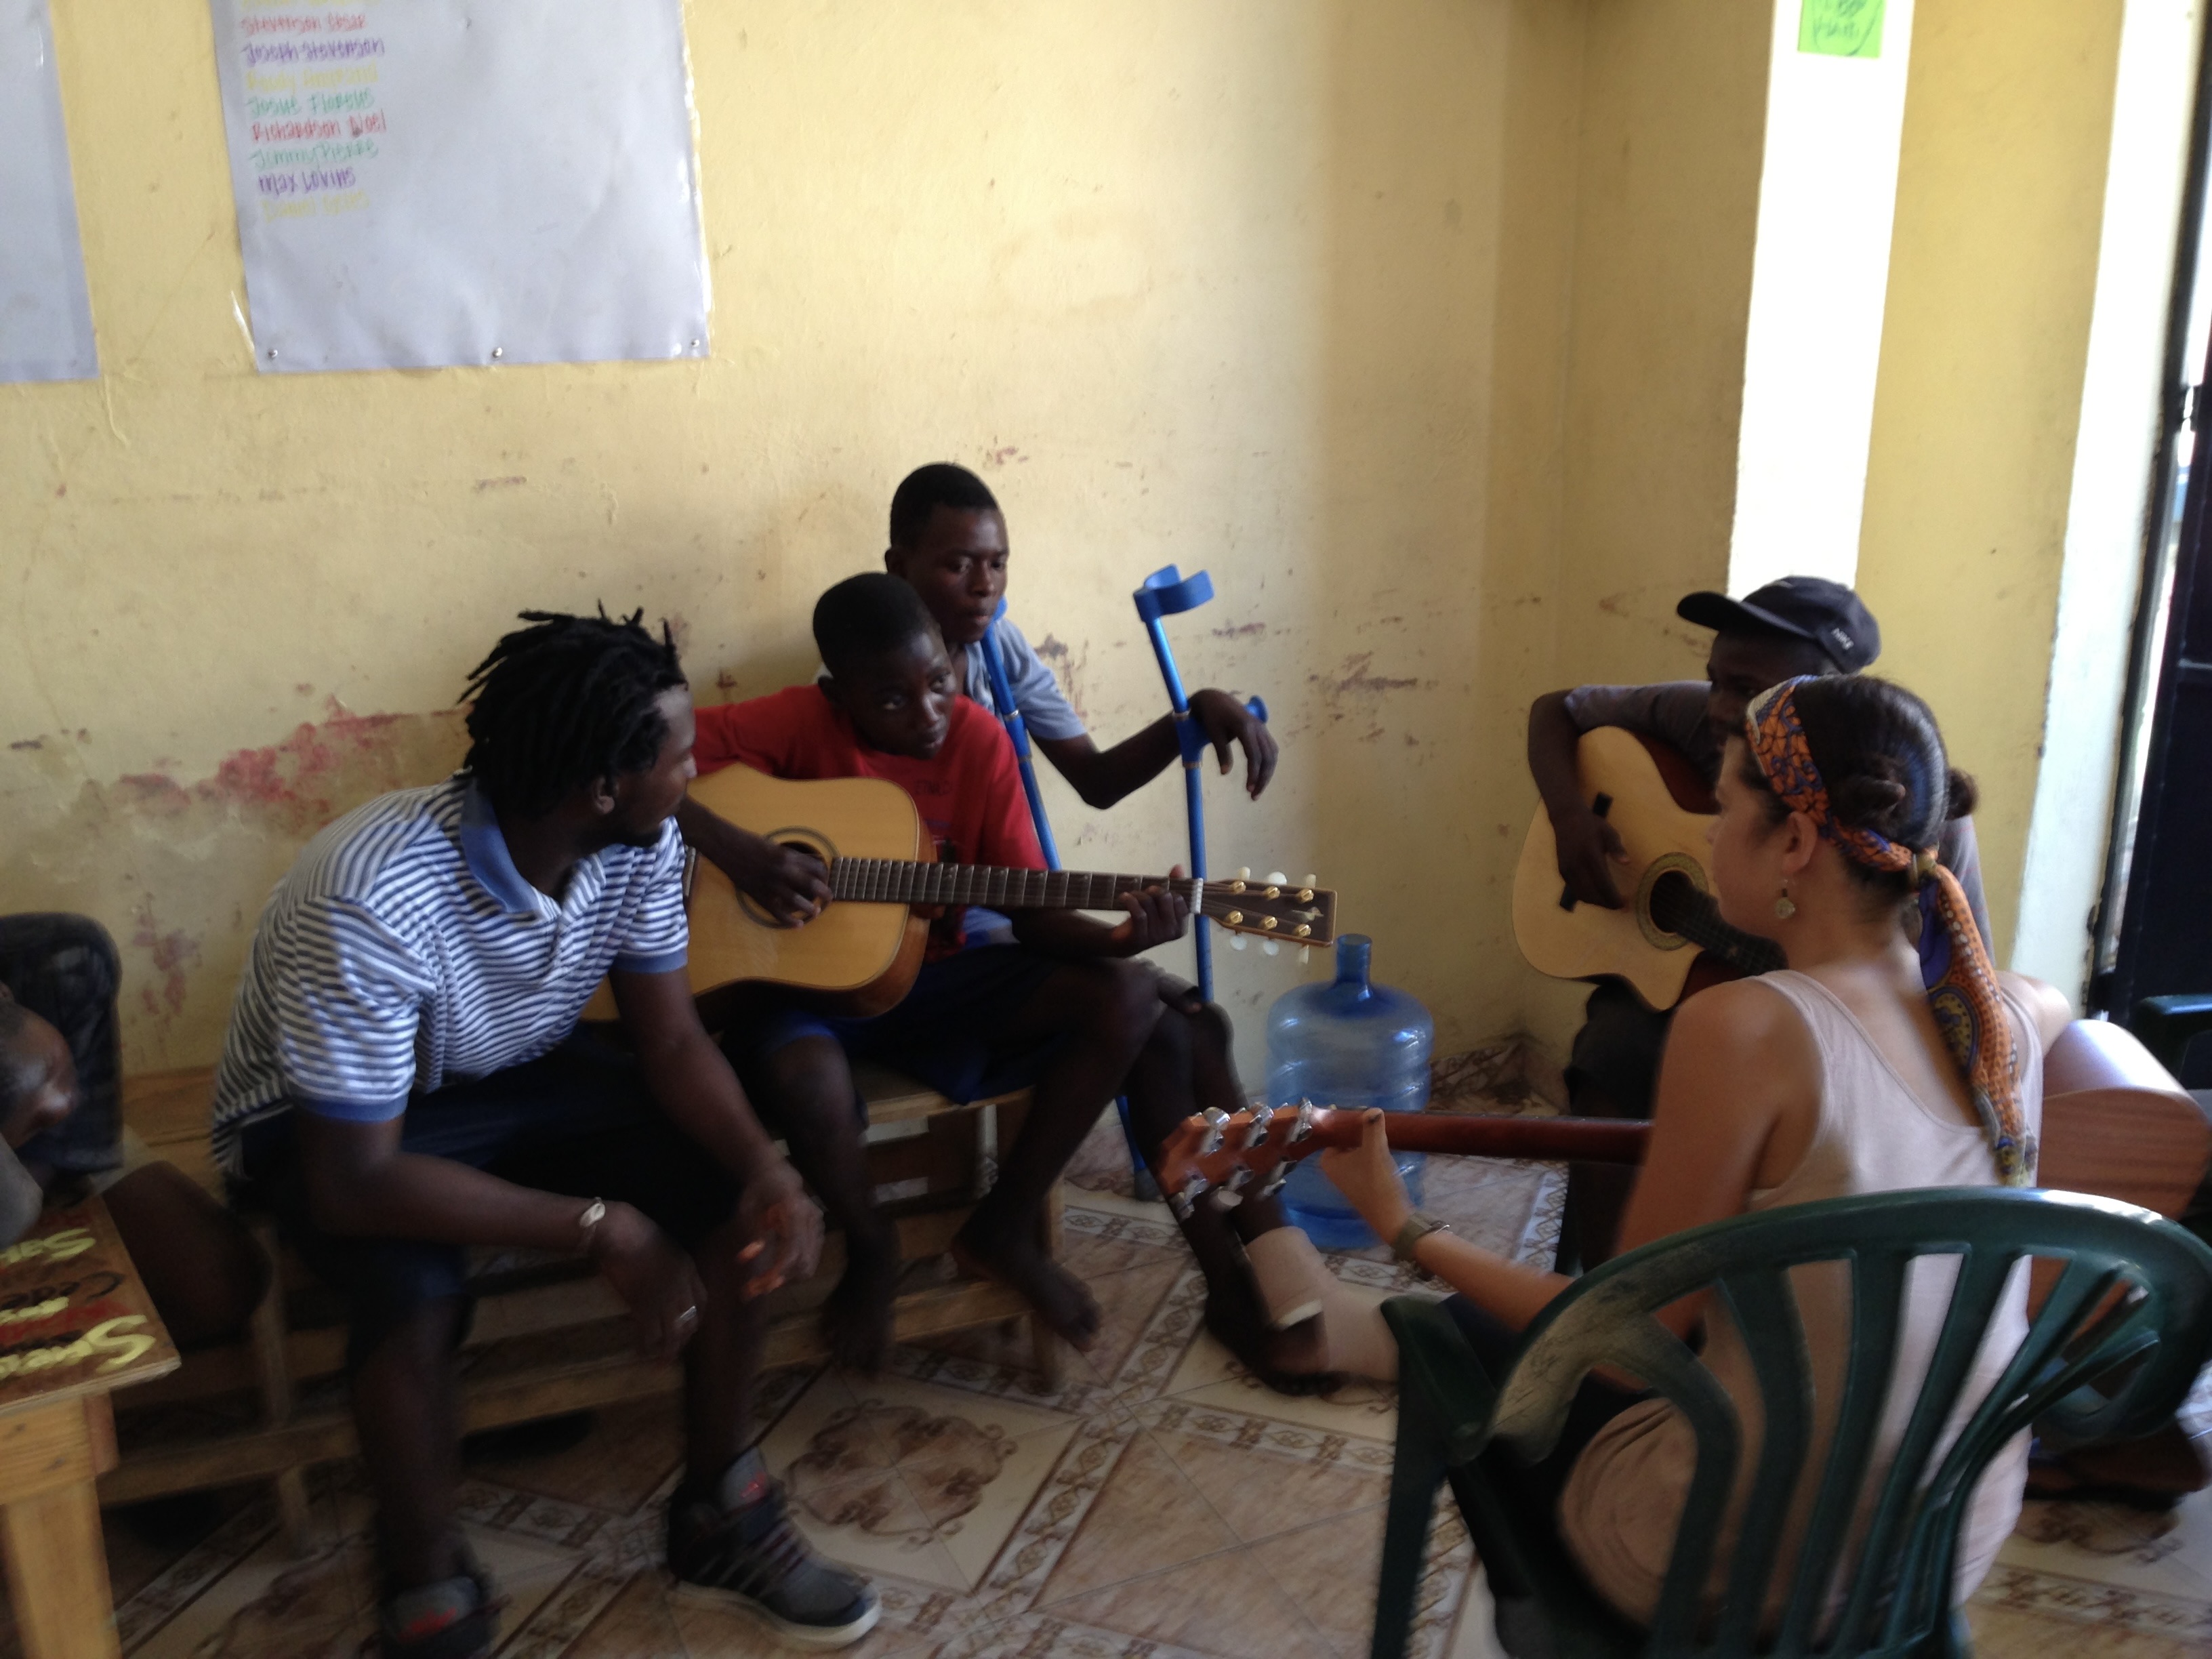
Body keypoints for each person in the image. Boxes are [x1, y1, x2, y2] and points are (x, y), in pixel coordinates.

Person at [1287, 673, 2068, 1627]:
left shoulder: (1742, 1029)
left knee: (1471, 1349)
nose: (1703, 831)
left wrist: (1404, 1224)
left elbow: (1623, 1346)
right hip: (1937, 1554)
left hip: (1741, 1576)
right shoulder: (2011, 1017)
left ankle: (1543, 1630)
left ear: (1794, 841)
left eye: (1727, 802)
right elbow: (2035, 1010)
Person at [207, 611, 874, 1658]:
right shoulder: (371, 893)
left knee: (731, 1195)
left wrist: (764, 1167)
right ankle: (428, 1587)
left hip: (512, 1070)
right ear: (601, 784)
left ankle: (721, 1513)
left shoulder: (640, 842)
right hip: (333, 1123)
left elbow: (671, 1043)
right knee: (410, 1286)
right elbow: (355, 1180)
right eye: (679, 755)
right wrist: (605, 1229)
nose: (694, 772)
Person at [678, 574, 1189, 1372]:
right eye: (891, 699)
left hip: (936, 977)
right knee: (807, 1082)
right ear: (837, 693)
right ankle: (871, 1242)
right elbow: (634, 755)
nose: (926, 713)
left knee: (1129, 997)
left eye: (940, 684)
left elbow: (1031, 911)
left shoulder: (979, 741)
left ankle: (1001, 1227)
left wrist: (1120, 939)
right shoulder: (792, 722)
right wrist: (741, 851)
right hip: (797, 989)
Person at [1525, 577, 1992, 1266]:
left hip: (1834, 1025)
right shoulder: (1701, 720)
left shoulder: (1915, 809)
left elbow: (1956, 988)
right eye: (1716, 679)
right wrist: (1572, 816)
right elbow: (1555, 710)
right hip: (1705, 972)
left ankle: (1684, 1290)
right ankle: (1600, 1283)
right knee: (1615, 1047)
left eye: (1744, 688)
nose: (1719, 708)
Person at [881, 462, 1277, 809]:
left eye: (998, 564)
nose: (986, 585)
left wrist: (1194, 712)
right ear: (899, 568)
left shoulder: (1001, 647)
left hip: (986, 881)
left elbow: (1096, 780)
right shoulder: (861, 665)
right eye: (960, 565)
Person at [1, 914, 266, 1345]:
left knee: (217, 1284)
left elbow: (57, 1156)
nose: (65, 1104)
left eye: (63, 1075)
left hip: (48, 1164)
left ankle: (92, 1384)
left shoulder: (62, 961)